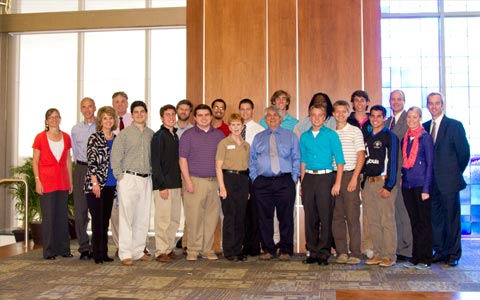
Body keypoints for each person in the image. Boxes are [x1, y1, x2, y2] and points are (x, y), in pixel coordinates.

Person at [423, 92, 470, 267]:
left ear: (442, 105)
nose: (434, 106)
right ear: (427, 105)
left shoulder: (454, 125)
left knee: (451, 219)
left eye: (437, 103)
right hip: (430, 183)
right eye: (430, 103)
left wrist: (454, 173)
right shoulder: (425, 126)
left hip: (449, 182)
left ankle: (454, 253)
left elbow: (463, 153)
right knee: (435, 219)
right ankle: (440, 250)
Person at [250, 105, 300, 261]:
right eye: (269, 116)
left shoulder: (290, 136)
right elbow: (252, 160)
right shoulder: (258, 137)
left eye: (275, 115)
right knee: (264, 218)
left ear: (280, 118)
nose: (272, 118)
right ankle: (268, 249)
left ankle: (286, 249)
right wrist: (255, 178)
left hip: (284, 181)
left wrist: (293, 178)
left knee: (285, 218)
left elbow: (297, 158)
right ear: (265, 119)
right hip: (262, 182)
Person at [300, 104, 344, 265]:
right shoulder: (304, 136)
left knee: (325, 217)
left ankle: (324, 253)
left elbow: (340, 161)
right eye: (313, 115)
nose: (316, 118)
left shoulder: (331, 135)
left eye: (320, 115)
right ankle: (312, 251)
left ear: (325, 117)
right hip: (309, 179)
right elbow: (303, 160)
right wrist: (302, 183)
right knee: (310, 218)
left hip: (326, 178)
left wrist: (337, 183)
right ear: (309, 117)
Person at [179, 104, 225, 261]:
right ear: (195, 117)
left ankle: (207, 249)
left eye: (207, 115)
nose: (204, 118)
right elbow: (182, 160)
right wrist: (188, 181)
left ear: (211, 117)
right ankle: (193, 249)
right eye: (200, 115)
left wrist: (222, 184)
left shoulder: (219, 136)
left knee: (211, 218)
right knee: (194, 217)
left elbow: (222, 161)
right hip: (194, 181)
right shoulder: (188, 135)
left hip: (214, 183)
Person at [111, 101, 154, 266]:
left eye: (142, 111)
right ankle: (125, 253)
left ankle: (138, 251)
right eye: (136, 112)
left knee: (142, 216)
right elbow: (116, 156)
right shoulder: (124, 134)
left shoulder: (151, 134)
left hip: (146, 178)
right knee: (127, 216)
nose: (139, 114)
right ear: (132, 114)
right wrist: (120, 177)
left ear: (146, 113)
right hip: (128, 178)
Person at [32, 108, 73, 260]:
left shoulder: (66, 137)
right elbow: (35, 161)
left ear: (60, 119)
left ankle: (63, 248)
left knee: (62, 216)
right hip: (46, 182)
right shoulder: (40, 137)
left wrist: (70, 181)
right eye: (51, 117)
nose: (54, 119)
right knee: (49, 217)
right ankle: (49, 251)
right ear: (46, 120)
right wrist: (37, 181)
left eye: (56, 117)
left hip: (62, 181)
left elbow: (68, 160)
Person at [363, 105, 399, 267]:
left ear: (384, 118)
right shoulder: (367, 136)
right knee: (373, 221)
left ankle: (389, 255)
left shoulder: (390, 136)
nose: (375, 119)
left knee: (386, 221)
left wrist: (389, 186)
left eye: (379, 116)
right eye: (373, 116)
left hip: (383, 183)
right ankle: (378, 253)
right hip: (369, 184)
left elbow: (393, 162)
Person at [400, 107, 434, 270]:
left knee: (424, 222)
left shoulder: (425, 137)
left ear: (420, 118)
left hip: (421, 185)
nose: (411, 120)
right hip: (407, 185)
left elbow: (430, 164)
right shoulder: (406, 138)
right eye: (409, 117)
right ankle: (416, 255)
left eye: (415, 117)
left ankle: (426, 257)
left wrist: (426, 188)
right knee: (414, 222)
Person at [331, 100, 365, 265]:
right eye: (337, 111)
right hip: (333, 177)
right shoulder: (330, 133)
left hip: (350, 175)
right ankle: (341, 251)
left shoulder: (355, 131)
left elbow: (361, 156)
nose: (341, 114)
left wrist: (354, 178)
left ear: (348, 112)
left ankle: (356, 253)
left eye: (344, 111)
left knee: (352, 216)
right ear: (333, 113)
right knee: (337, 217)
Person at [84, 106, 118, 264]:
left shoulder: (116, 139)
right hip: (96, 185)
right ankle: (97, 253)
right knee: (97, 221)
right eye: (105, 118)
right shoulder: (94, 137)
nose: (108, 121)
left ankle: (104, 252)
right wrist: (95, 182)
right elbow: (91, 162)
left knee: (105, 221)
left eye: (111, 118)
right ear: (100, 121)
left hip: (111, 184)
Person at [215, 113, 250, 261]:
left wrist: (248, 189)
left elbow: (247, 168)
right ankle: (229, 251)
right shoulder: (223, 143)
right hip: (228, 179)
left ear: (242, 126)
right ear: (229, 127)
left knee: (240, 217)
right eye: (233, 125)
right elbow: (218, 166)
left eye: (238, 125)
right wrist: (222, 187)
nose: (236, 128)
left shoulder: (246, 145)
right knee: (230, 216)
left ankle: (238, 249)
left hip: (242, 180)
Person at [151, 105, 182, 263]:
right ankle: (160, 251)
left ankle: (169, 249)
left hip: (176, 184)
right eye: (167, 115)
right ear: (162, 118)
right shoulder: (159, 136)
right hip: (163, 186)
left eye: (173, 114)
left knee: (174, 219)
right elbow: (155, 163)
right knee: (163, 219)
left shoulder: (175, 136)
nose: (171, 117)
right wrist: (161, 185)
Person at [385, 90, 412, 262]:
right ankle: (396, 247)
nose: (396, 102)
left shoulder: (408, 121)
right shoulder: (387, 122)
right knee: (392, 212)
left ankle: (407, 249)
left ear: (404, 101)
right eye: (393, 99)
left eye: (399, 99)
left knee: (404, 212)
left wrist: (403, 172)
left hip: (402, 173)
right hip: (388, 174)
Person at [71, 97, 96, 261]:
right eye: (84, 107)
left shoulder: (101, 126)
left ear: (94, 108)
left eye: (89, 106)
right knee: (80, 211)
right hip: (80, 169)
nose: (87, 110)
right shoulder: (75, 129)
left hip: (97, 170)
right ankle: (84, 248)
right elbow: (73, 150)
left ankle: (96, 246)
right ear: (81, 109)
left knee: (97, 211)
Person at [238, 98, 264, 257]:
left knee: (253, 212)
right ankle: (240, 244)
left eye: (248, 109)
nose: (245, 112)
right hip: (237, 174)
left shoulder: (259, 130)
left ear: (252, 111)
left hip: (253, 174)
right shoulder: (234, 128)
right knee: (239, 212)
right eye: (242, 109)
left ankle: (253, 246)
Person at [110, 91, 132, 257]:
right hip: (113, 173)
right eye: (116, 102)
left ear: (127, 103)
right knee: (115, 211)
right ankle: (119, 245)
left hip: (131, 172)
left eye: (122, 102)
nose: (119, 105)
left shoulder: (135, 120)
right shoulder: (108, 122)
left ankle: (135, 244)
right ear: (113, 104)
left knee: (133, 210)